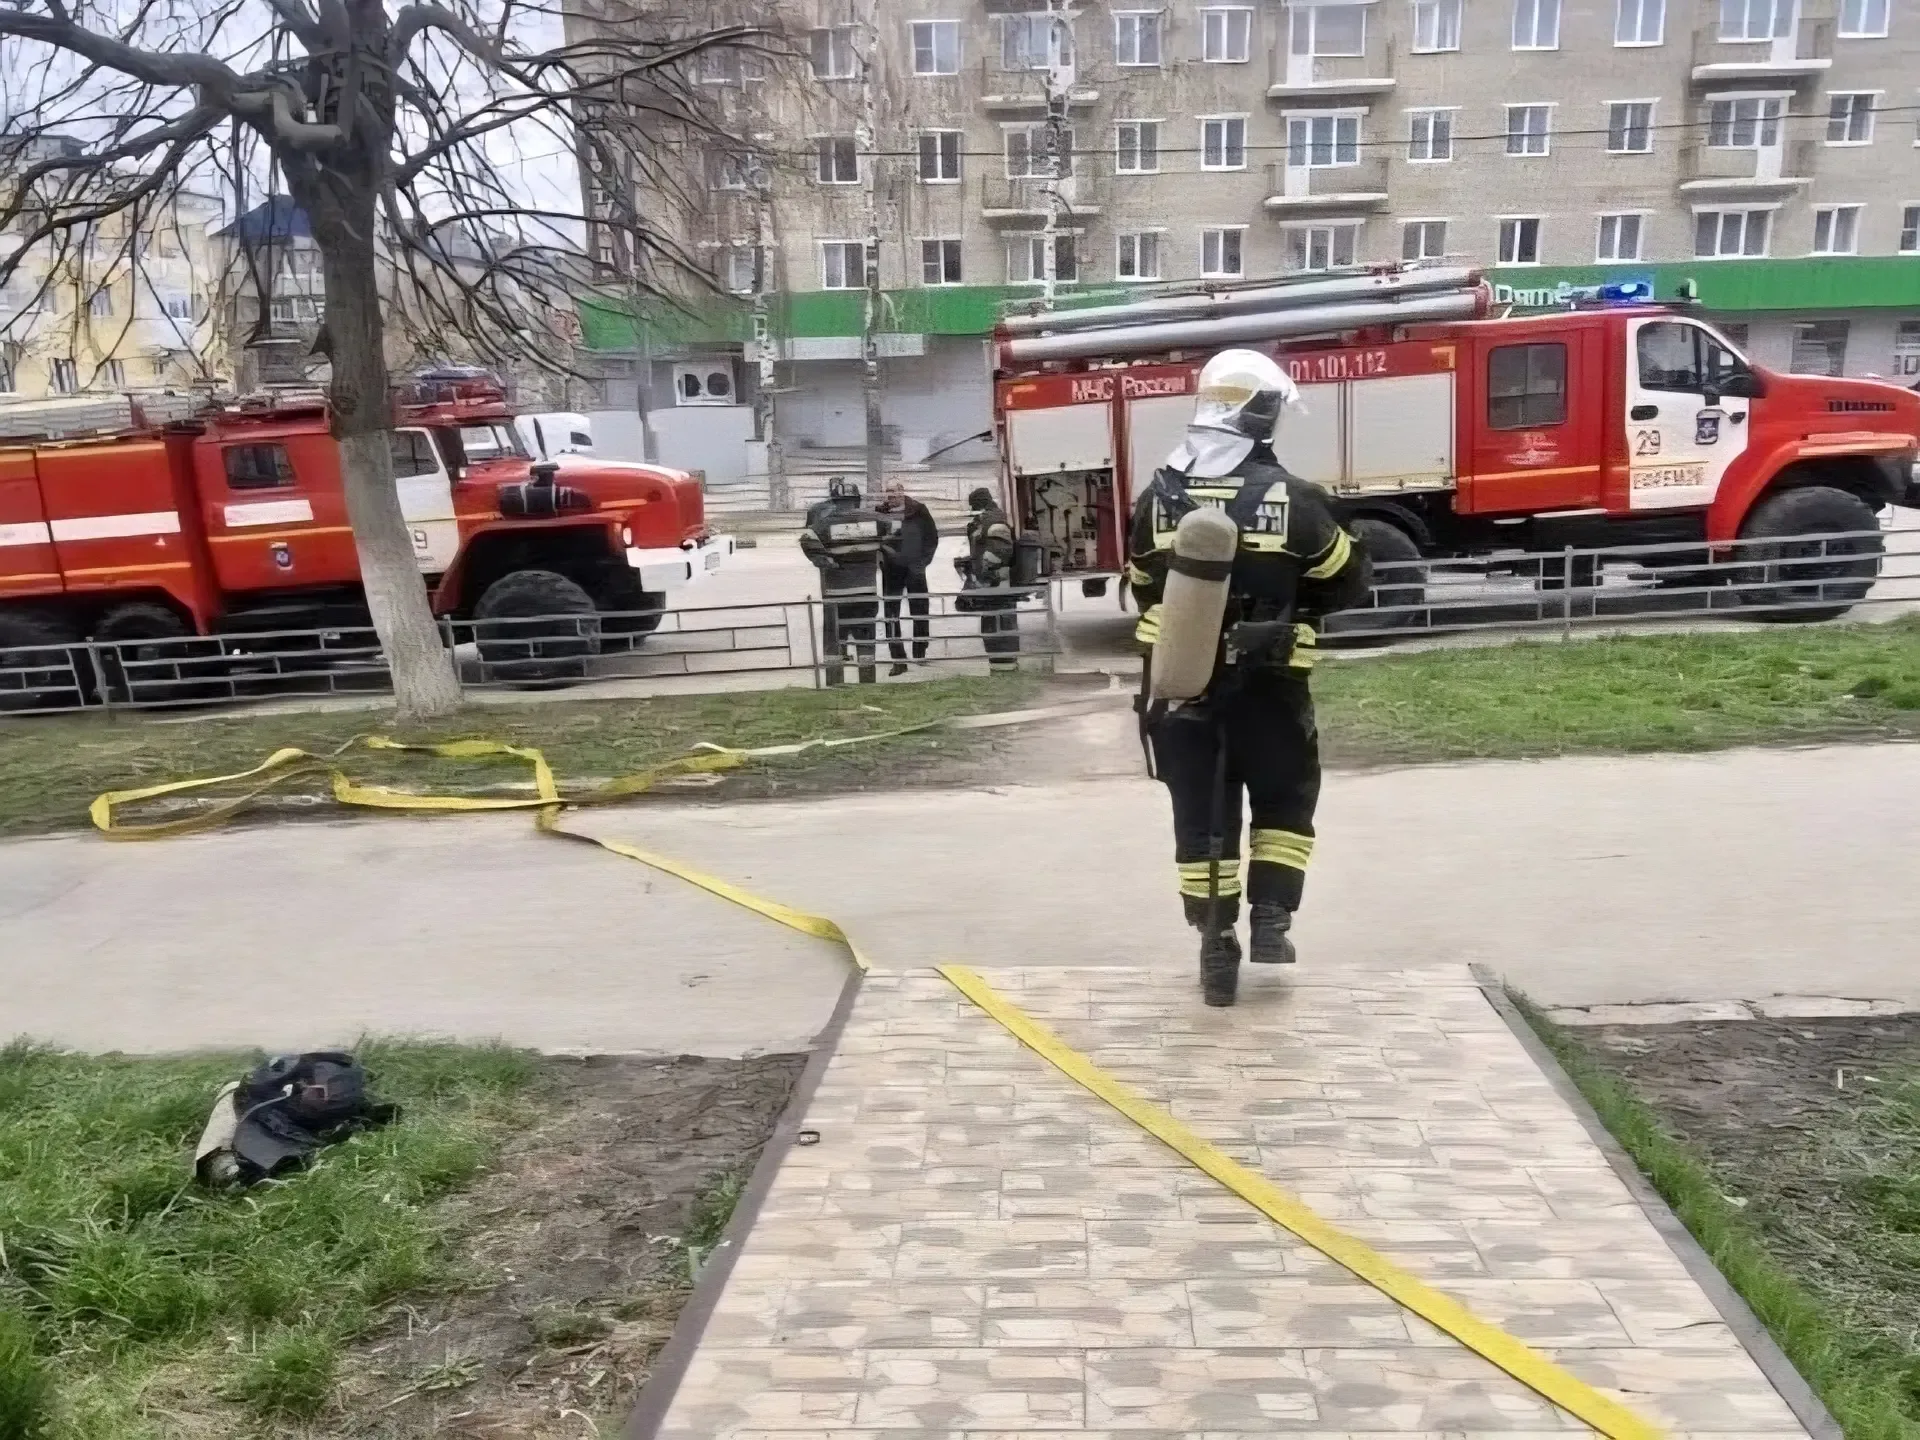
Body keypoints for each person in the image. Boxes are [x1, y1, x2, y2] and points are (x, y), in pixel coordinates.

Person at [1127, 349, 1372, 1007]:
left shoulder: (1157, 498)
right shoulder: (1297, 501)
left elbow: (1144, 584)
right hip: (1273, 685)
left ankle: (1215, 940)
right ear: (1264, 416)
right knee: (1284, 799)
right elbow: (1345, 580)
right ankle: (1272, 920)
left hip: (1182, 686)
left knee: (1201, 816)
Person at [799, 477, 888, 685]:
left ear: (834, 501)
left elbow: (807, 539)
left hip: (835, 593)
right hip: (867, 590)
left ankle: (835, 682)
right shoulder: (875, 520)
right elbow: (897, 532)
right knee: (866, 639)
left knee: (834, 639)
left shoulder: (825, 524)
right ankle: (867, 682)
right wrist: (881, 553)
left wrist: (825, 561)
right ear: (857, 500)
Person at [954, 485, 1019, 672]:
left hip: (998, 584)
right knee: (992, 625)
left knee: (1001, 626)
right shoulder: (987, 522)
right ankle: (999, 666)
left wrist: (982, 572)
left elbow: (1000, 552)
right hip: (992, 584)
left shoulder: (994, 522)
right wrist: (970, 564)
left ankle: (1006, 667)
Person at [878, 479, 938, 676]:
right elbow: (875, 540)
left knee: (920, 611)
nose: (890, 495)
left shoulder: (919, 510)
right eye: (887, 491)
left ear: (902, 491)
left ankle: (920, 653)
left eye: (893, 490)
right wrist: (882, 560)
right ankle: (898, 659)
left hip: (915, 570)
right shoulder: (881, 512)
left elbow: (931, 538)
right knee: (891, 615)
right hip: (892, 571)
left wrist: (922, 563)